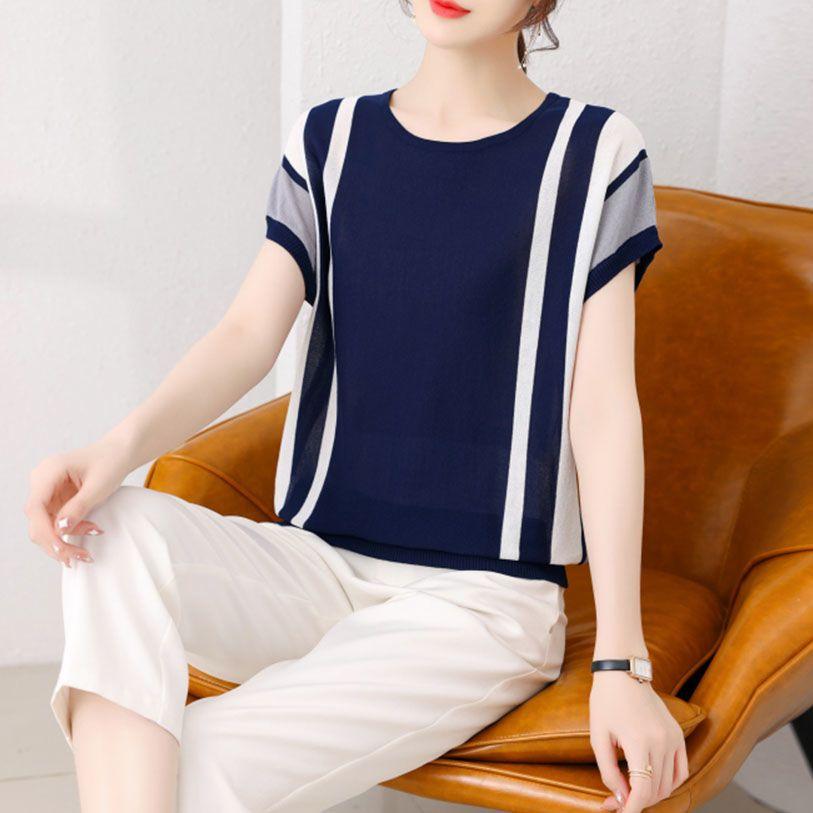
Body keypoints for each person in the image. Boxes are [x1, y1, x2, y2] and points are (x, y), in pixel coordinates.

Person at [25, 2, 688, 812]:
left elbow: (603, 409)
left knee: (184, 768)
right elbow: (246, 334)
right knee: (111, 530)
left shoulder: (594, 151)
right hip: (316, 570)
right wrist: (113, 449)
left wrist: (621, 665)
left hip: (478, 607)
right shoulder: (329, 139)